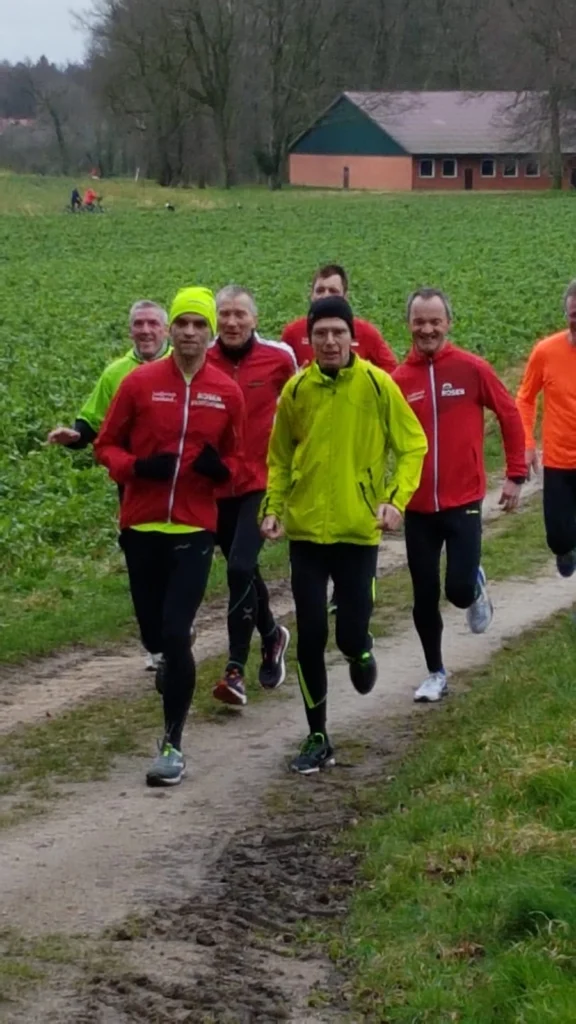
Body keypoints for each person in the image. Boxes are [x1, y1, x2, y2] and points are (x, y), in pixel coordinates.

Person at [261, 295, 428, 775]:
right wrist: (273, 509)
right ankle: (318, 736)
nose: (329, 341)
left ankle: (360, 649)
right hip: (307, 534)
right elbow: (278, 457)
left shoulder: (378, 386)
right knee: (311, 634)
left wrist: (395, 500)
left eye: (338, 332)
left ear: (352, 337)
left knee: (348, 634)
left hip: (359, 532)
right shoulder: (296, 391)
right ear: (309, 341)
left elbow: (413, 445)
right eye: (320, 334)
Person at [95, 287, 245, 787]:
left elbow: (243, 461)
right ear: (171, 329)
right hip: (141, 524)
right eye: (181, 323)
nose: (188, 332)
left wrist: (219, 470)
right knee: (155, 635)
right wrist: (136, 467)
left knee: (177, 632)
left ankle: (172, 744)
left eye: (198, 325)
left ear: (210, 333)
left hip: (195, 526)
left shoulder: (226, 391)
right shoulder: (139, 384)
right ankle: (168, 652)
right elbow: (105, 445)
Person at [393, 288, 526, 705]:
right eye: (420, 321)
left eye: (435, 321)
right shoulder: (399, 381)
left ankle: (474, 587)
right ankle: (435, 671)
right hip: (417, 508)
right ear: (409, 324)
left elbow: (508, 414)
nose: (427, 328)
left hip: (464, 499)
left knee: (457, 589)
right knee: (424, 593)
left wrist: (515, 474)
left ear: (448, 323)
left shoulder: (471, 368)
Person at [48, 300, 172, 672]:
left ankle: (177, 626)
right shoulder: (116, 372)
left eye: (153, 323)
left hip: (182, 481)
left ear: (165, 330)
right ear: (130, 329)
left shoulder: (185, 367)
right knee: (142, 565)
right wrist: (76, 436)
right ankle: (156, 645)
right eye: (139, 324)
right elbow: (93, 420)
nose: (146, 331)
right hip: (134, 483)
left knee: (177, 560)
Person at [207, 286, 296, 706]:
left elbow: (302, 408)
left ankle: (235, 669)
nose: (231, 322)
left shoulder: (279, 357)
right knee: (244, 569)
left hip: (262, 481)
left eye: (240, 314)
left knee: (240, 567)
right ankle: (273, 634)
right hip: (215, 484)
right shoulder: (201, 358)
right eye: (224, 314)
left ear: (254, 320)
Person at [516, 279, 576, 578]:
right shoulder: (546, 351)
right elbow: (525, 398)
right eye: (573, 314)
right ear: (566, 314)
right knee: (559, 538)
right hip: (558, 462)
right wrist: (526, 443)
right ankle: (566, 548)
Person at [281, 264, 397, 373]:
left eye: (333, 291)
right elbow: (279, 374)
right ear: (311, 295)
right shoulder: (293, 332)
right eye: (320, 290)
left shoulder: (366, 332)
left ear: (345, 297)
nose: (325, 296)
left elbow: (391, 371)